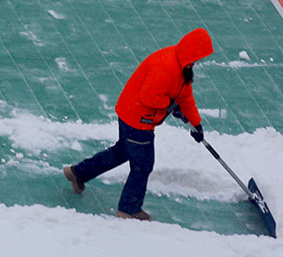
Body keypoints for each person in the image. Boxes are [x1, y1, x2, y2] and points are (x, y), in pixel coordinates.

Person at [63, 28, 214, 220]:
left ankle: (77, 173)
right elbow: (149, 96)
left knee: (122, 152)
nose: (197, 62)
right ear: (191, 52)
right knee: (143, 164)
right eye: (197, 57)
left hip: (133, 113)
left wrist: (196, 124)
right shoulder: (166, 66)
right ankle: (129, 208)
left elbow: (185, 97)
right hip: (137, 118)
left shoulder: (183, 67)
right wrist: (169, 105)